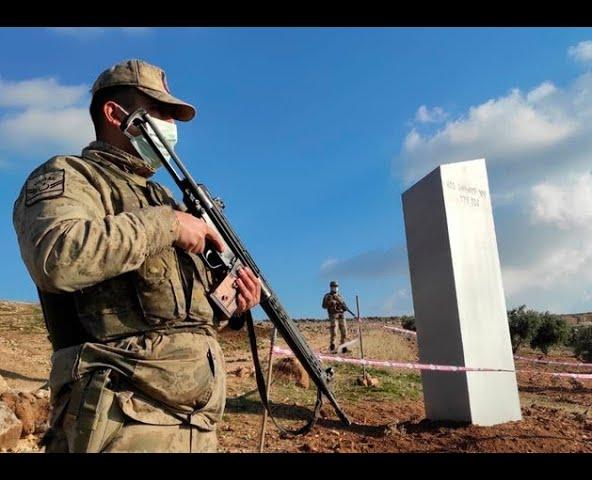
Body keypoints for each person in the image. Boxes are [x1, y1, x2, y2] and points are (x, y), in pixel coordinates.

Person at [12, 59, 262, 453]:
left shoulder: (162, 199)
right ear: (115, 114)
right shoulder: (71, 176)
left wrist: (234, 305)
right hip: (120, 419)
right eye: (160, 113)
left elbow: (179, 312)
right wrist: (170, 226)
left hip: (196, 425)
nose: (171, 127)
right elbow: (56, 257)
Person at [321, 281, 349, 353]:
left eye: (336, 287)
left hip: (341, 315)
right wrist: (331, 303)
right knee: (334, 332)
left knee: (344, 332)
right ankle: (332, 346)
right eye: (334, 286)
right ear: (331, 287)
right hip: (333, 315)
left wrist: (345, 308)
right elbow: (323, 306)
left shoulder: (340, 296)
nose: (335, 288)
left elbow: (343, 304)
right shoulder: (327, 296)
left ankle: (343, 347)